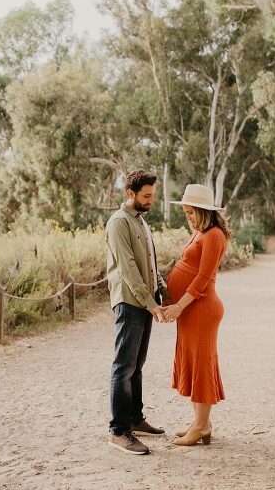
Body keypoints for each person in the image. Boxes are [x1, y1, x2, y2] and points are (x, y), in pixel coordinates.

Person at [162, 183, 231, 446]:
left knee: (201, 363)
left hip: (201, 309)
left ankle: (201, 426)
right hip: (191, 310)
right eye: (186, 212)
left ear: (204, 211)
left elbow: (203, 277)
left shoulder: (214, 235)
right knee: (193, 361)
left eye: (191, 212)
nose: (188, 217)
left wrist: (179, 305)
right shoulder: (199, 232)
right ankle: (201, 423)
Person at [106, 169, 168, 455]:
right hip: (130, 302)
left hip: (146, 302)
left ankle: (135, 418)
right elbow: (129, 269)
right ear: (130, 194)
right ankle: (119, 430)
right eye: (146, 196)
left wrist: (162, 293)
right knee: (124, 366)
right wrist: (150, 302)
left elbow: (151, 264)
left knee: (137, 365)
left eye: (153, 196)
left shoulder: (141, 221)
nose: (151, 201)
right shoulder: (118, 223)